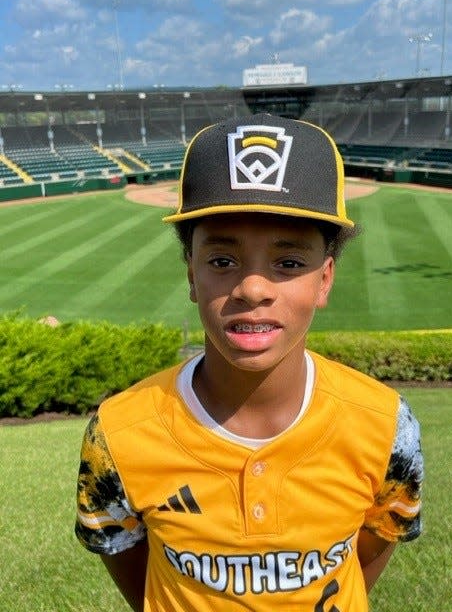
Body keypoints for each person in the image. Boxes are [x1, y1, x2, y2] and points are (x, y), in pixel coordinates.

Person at [75, 113, 423, 612]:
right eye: (221, 261)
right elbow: (134, 572)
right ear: (191, 274)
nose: (252, 289)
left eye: (288, 263)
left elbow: (368, 555)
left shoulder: (388, 426)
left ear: (325, 279)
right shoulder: (116, 435)